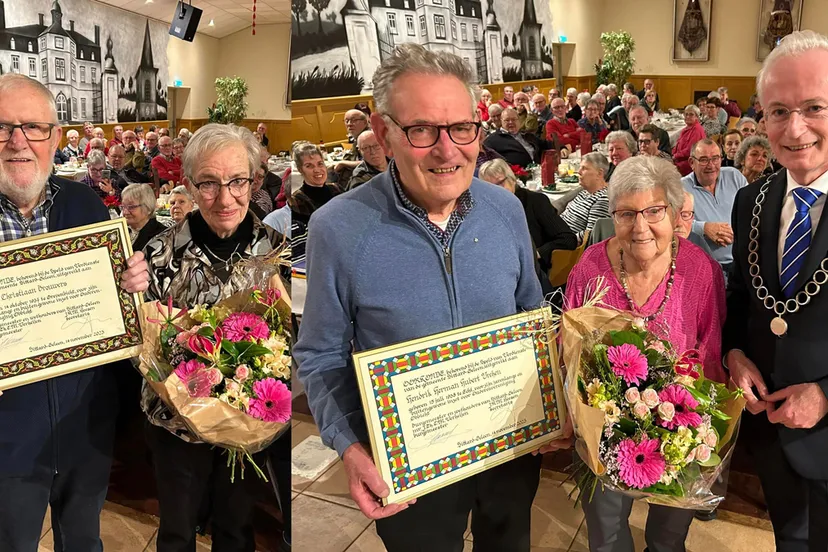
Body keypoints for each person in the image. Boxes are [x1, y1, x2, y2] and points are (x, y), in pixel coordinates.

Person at [295, 43, 566, 552]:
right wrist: (350, 446)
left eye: (462, 128)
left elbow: (532, 313)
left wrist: (559, 396)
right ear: (383, 134)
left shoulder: (506, 211)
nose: (448, 150)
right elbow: (321, 355)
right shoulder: (337, 228)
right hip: (407, 466)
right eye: (421, 130)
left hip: (509, 447)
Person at [0, 73, 149, 552]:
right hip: (7, 433)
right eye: (1, 128)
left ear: (56, 137)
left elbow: (113, 304)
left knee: (84, 540)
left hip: (85, 418)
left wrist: (131, 286)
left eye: (33, 127)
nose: (17, 141)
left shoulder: (86, 203)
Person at [565, 156, 726, 552]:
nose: (640, 227)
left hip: (680, 426)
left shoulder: (700, 269)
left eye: (653, 211)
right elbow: (568, 348)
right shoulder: (590, 266)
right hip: (602, 426)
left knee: (668, 539)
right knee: (606, 534)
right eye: (626, 213)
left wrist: (704, 433)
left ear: (674, 213)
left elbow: (711, 352)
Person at [141, 123, 287, 552]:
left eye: (237, 181)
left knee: (236, 531)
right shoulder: (156, 255)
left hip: (251, 423)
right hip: (174, 424)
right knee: (176, 532)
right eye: (208, 183)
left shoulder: (279, 252)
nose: (225, 198)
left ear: (255, 181)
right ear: (187, 184)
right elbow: (143, 346)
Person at [724, 30, 828, 552]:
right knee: (790, 540)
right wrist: (735, 352)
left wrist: (826, 394)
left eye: (814, 107)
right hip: (770, 427)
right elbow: (741, 295)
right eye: (778, 111)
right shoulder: (751, 199)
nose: (796, 128)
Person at [479, 158, 577, 271]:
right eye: (491, 187)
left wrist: (536, 254)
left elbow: (568, 239)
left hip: (534, 272)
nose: (497, 191)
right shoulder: (488, 211)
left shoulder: (536, 202)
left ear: (512, 180)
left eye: (500, 183)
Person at [681, 139, 748, 278]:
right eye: (704, 160)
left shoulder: (734, 176)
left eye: (715, 158)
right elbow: (674, 224)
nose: (711, 165)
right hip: (706, 270)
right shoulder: (681, 188)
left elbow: (752, 210)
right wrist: (704, 228)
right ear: (692, 163)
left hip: (743, 263)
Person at [288, 142, 342, 265]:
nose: (317, 170)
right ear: (300, 170)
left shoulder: (337, 189)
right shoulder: (296, 201)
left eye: (320, 164)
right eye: (309, 166)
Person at [560, 152, 611, 241]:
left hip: (566, 247)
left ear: (600, 173)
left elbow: (590, 235)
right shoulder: (584, 192)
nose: (579, 172)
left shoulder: (603, 199)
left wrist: (560, 241)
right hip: (556, 235)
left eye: (584, 168)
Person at [483, 107, 553, 168]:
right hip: (516, 176)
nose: (511, 122)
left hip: (538, 171)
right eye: (507, 120)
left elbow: (546, 144)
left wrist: (562, 148)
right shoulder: (492, 140)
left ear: (518, 120)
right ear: (501, 121)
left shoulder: (526, 134)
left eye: (514, 119)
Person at [122, 183, 168, 251]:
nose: (125, 212)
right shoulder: (121, 231)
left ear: (148, 208)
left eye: (131, 207)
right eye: (123, 207)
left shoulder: (161, 235)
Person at [673, 105, 707, 175]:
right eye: (686, 114)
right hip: (681, 159)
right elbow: (678, 145)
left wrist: (675, 156)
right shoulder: (686, 128)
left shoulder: (697, 130)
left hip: (691, 162)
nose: (688, 116)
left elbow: (690, 150)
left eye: (691, 114)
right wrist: (672, 153)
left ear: (697, 117)